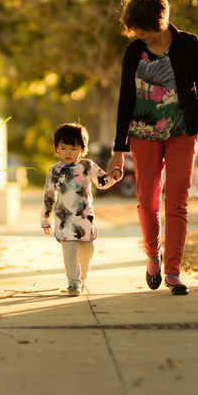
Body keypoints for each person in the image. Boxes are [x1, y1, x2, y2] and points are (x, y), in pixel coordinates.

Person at [106, 0, 198, 296]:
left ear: (162, 21)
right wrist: (118, 149)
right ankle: (152, 255)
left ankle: (172, 270)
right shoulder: (134, 52)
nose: (141, 36)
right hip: (142, 135)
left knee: (177, 201)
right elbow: (125, 99)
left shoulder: (189, 44)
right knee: (147, 200)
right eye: (136, 31)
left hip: (183, 132)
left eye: (145, 31)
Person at [41, 122, 121, 296]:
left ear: (82, 149)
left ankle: (82, 276)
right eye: (63, 148)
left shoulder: (87, 166)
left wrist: (113, 177)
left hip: (85, 218)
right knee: (69, 251)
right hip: (64, 219)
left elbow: (101, 182)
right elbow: (49, 196)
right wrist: (45, 219)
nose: (68, 153)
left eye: (73, 148)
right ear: (56, 149)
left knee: (87, 251)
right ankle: (73, 282)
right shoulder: (54, 170)